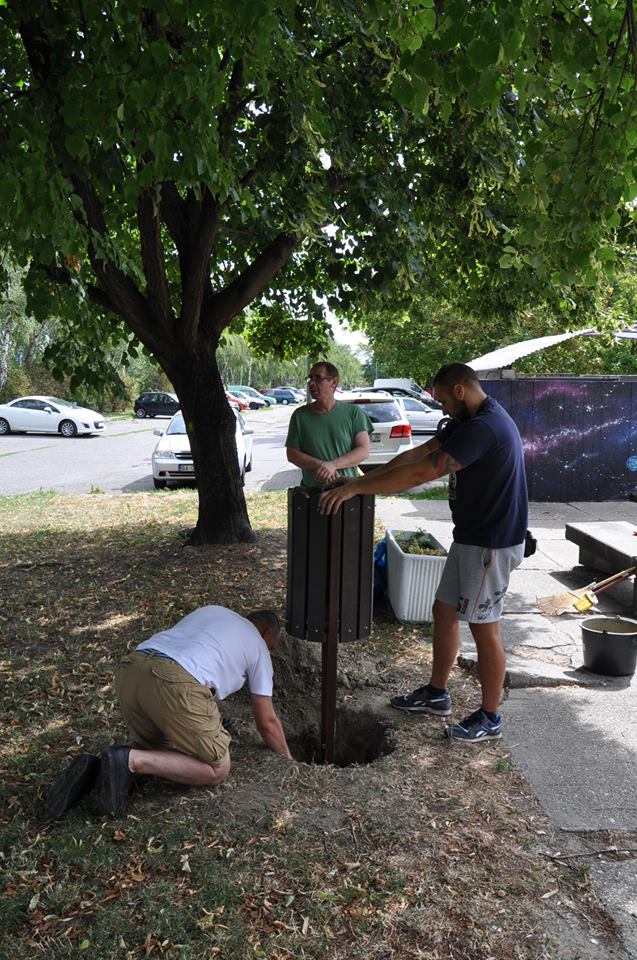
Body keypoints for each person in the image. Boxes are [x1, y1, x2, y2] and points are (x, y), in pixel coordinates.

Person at [320, 363, 528, 743]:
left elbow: (423, 474)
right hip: (470, 537)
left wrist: (357, 491)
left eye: (444, 399)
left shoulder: (485, 427)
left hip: (491, 544)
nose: (442, 408)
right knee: (444, 610)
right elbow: (418, 455)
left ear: (461, 390)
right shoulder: (468, 421)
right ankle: (436, 693)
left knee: (484, 628)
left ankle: (491, 716)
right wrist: (364, 480)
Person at [45, 606, 292, 819]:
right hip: (174, 681)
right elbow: (267, 722)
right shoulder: (258, 646)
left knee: (160, 753)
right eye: (272, 645)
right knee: (216, 767)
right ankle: (128, 760)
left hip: (132, 669)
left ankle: (95, 771)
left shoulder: (213, 611)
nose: (268, 650)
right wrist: (288, 760)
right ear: (267, 633)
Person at [286, 361, 372, 489]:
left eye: (318, 378)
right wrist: (323, 466)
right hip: (312, 494)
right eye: (310, 378)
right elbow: (292, 454)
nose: (311, 383)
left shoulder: (353, 413)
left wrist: (333, 465)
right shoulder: (300, 416)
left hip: (347, 492)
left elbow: (363, 450)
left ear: (334, 382)